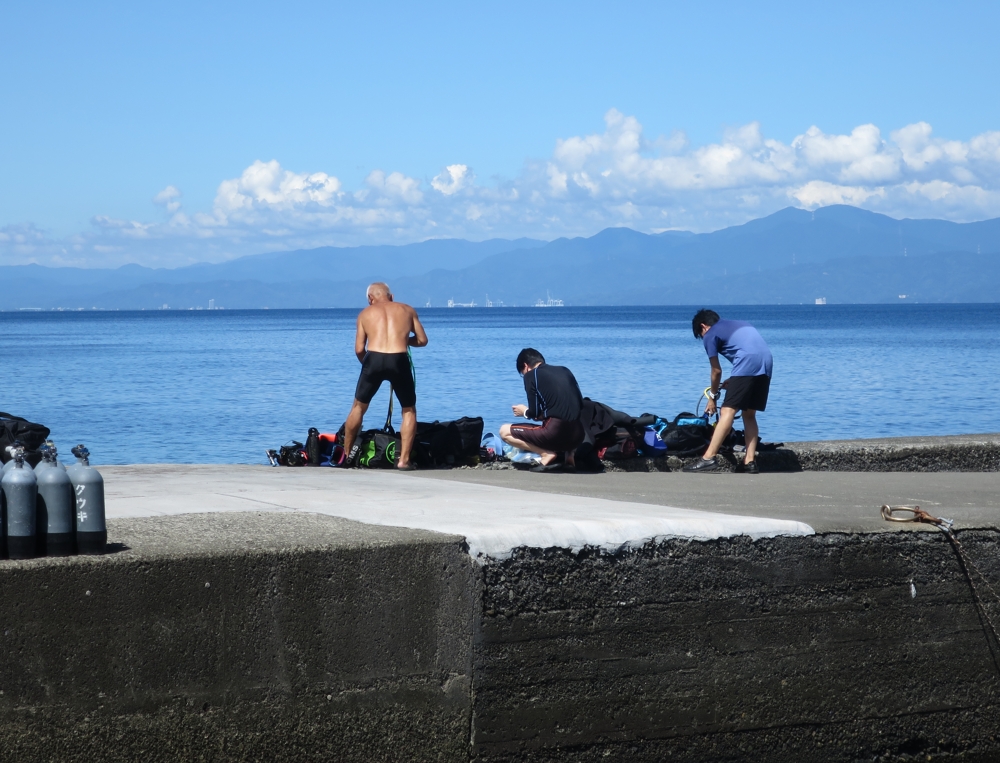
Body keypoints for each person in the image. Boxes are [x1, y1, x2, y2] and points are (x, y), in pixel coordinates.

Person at [341, 282, 428, 470]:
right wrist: (404, 340)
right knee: (409, 410)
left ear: (370, 299)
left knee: (358, 407)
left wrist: (370, 367)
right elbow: (422, 340)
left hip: (373, 358)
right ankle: (404, 461)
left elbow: (358, 349)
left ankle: (347, 456)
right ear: (391, 296)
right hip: (399, 359)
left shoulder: (365, 314)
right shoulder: (407, 310)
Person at [683, 309, 773, 474]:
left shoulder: (710, 334)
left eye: (701, 334)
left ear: (703, 326)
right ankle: (750, 461)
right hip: (766, 363)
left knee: (727, 411)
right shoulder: (740, 323)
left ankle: (708, 458)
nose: (703, 338)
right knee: (749, 414)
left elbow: (716, 371)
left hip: (747, 364)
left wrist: (712, 398)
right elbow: (751, 351)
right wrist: (735, 381)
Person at [500, 348, 585, 473]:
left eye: (522, 373)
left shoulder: (531, 375)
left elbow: (533, 412)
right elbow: (579, 404)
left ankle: (546, 454)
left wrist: (524, 411)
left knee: (504, 431)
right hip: (578, 436)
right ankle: (569, 456)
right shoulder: (565, 370)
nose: (524, 375)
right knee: (565, 420)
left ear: (526, 366)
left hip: (555, 432)